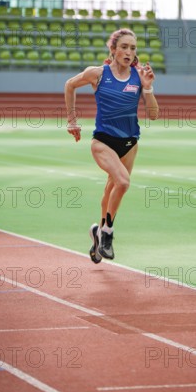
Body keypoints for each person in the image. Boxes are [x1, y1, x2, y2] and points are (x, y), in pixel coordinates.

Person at [64, 28, 159, 263]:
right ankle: (107, 232)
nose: (128, 52)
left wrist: (147, 87)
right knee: (123, 182)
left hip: (129, 143)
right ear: (114, 49)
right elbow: (69, 85)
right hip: (103, 141)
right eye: (124, 47)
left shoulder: (139, 76)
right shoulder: (98, 74)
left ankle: (97, 235)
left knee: (110, 190)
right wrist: (71, 120)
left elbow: (154, 115)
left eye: (133, 48)